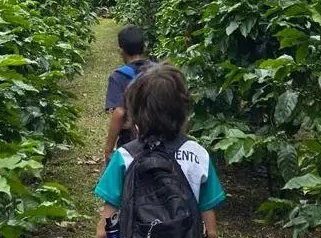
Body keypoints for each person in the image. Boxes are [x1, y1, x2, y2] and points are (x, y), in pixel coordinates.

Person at [94, 63, 225, 238]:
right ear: (183, 110)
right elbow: (211, 230)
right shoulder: (198, 154)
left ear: (135, 113)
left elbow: (104, 230)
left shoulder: (124, 156)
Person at [102, 25, 154, 164]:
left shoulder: (119, 76)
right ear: (144, 46)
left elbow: (119, 113)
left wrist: (108, 150)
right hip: (161, 134)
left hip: (131, 141)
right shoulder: (159, 71)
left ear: (121, 50)